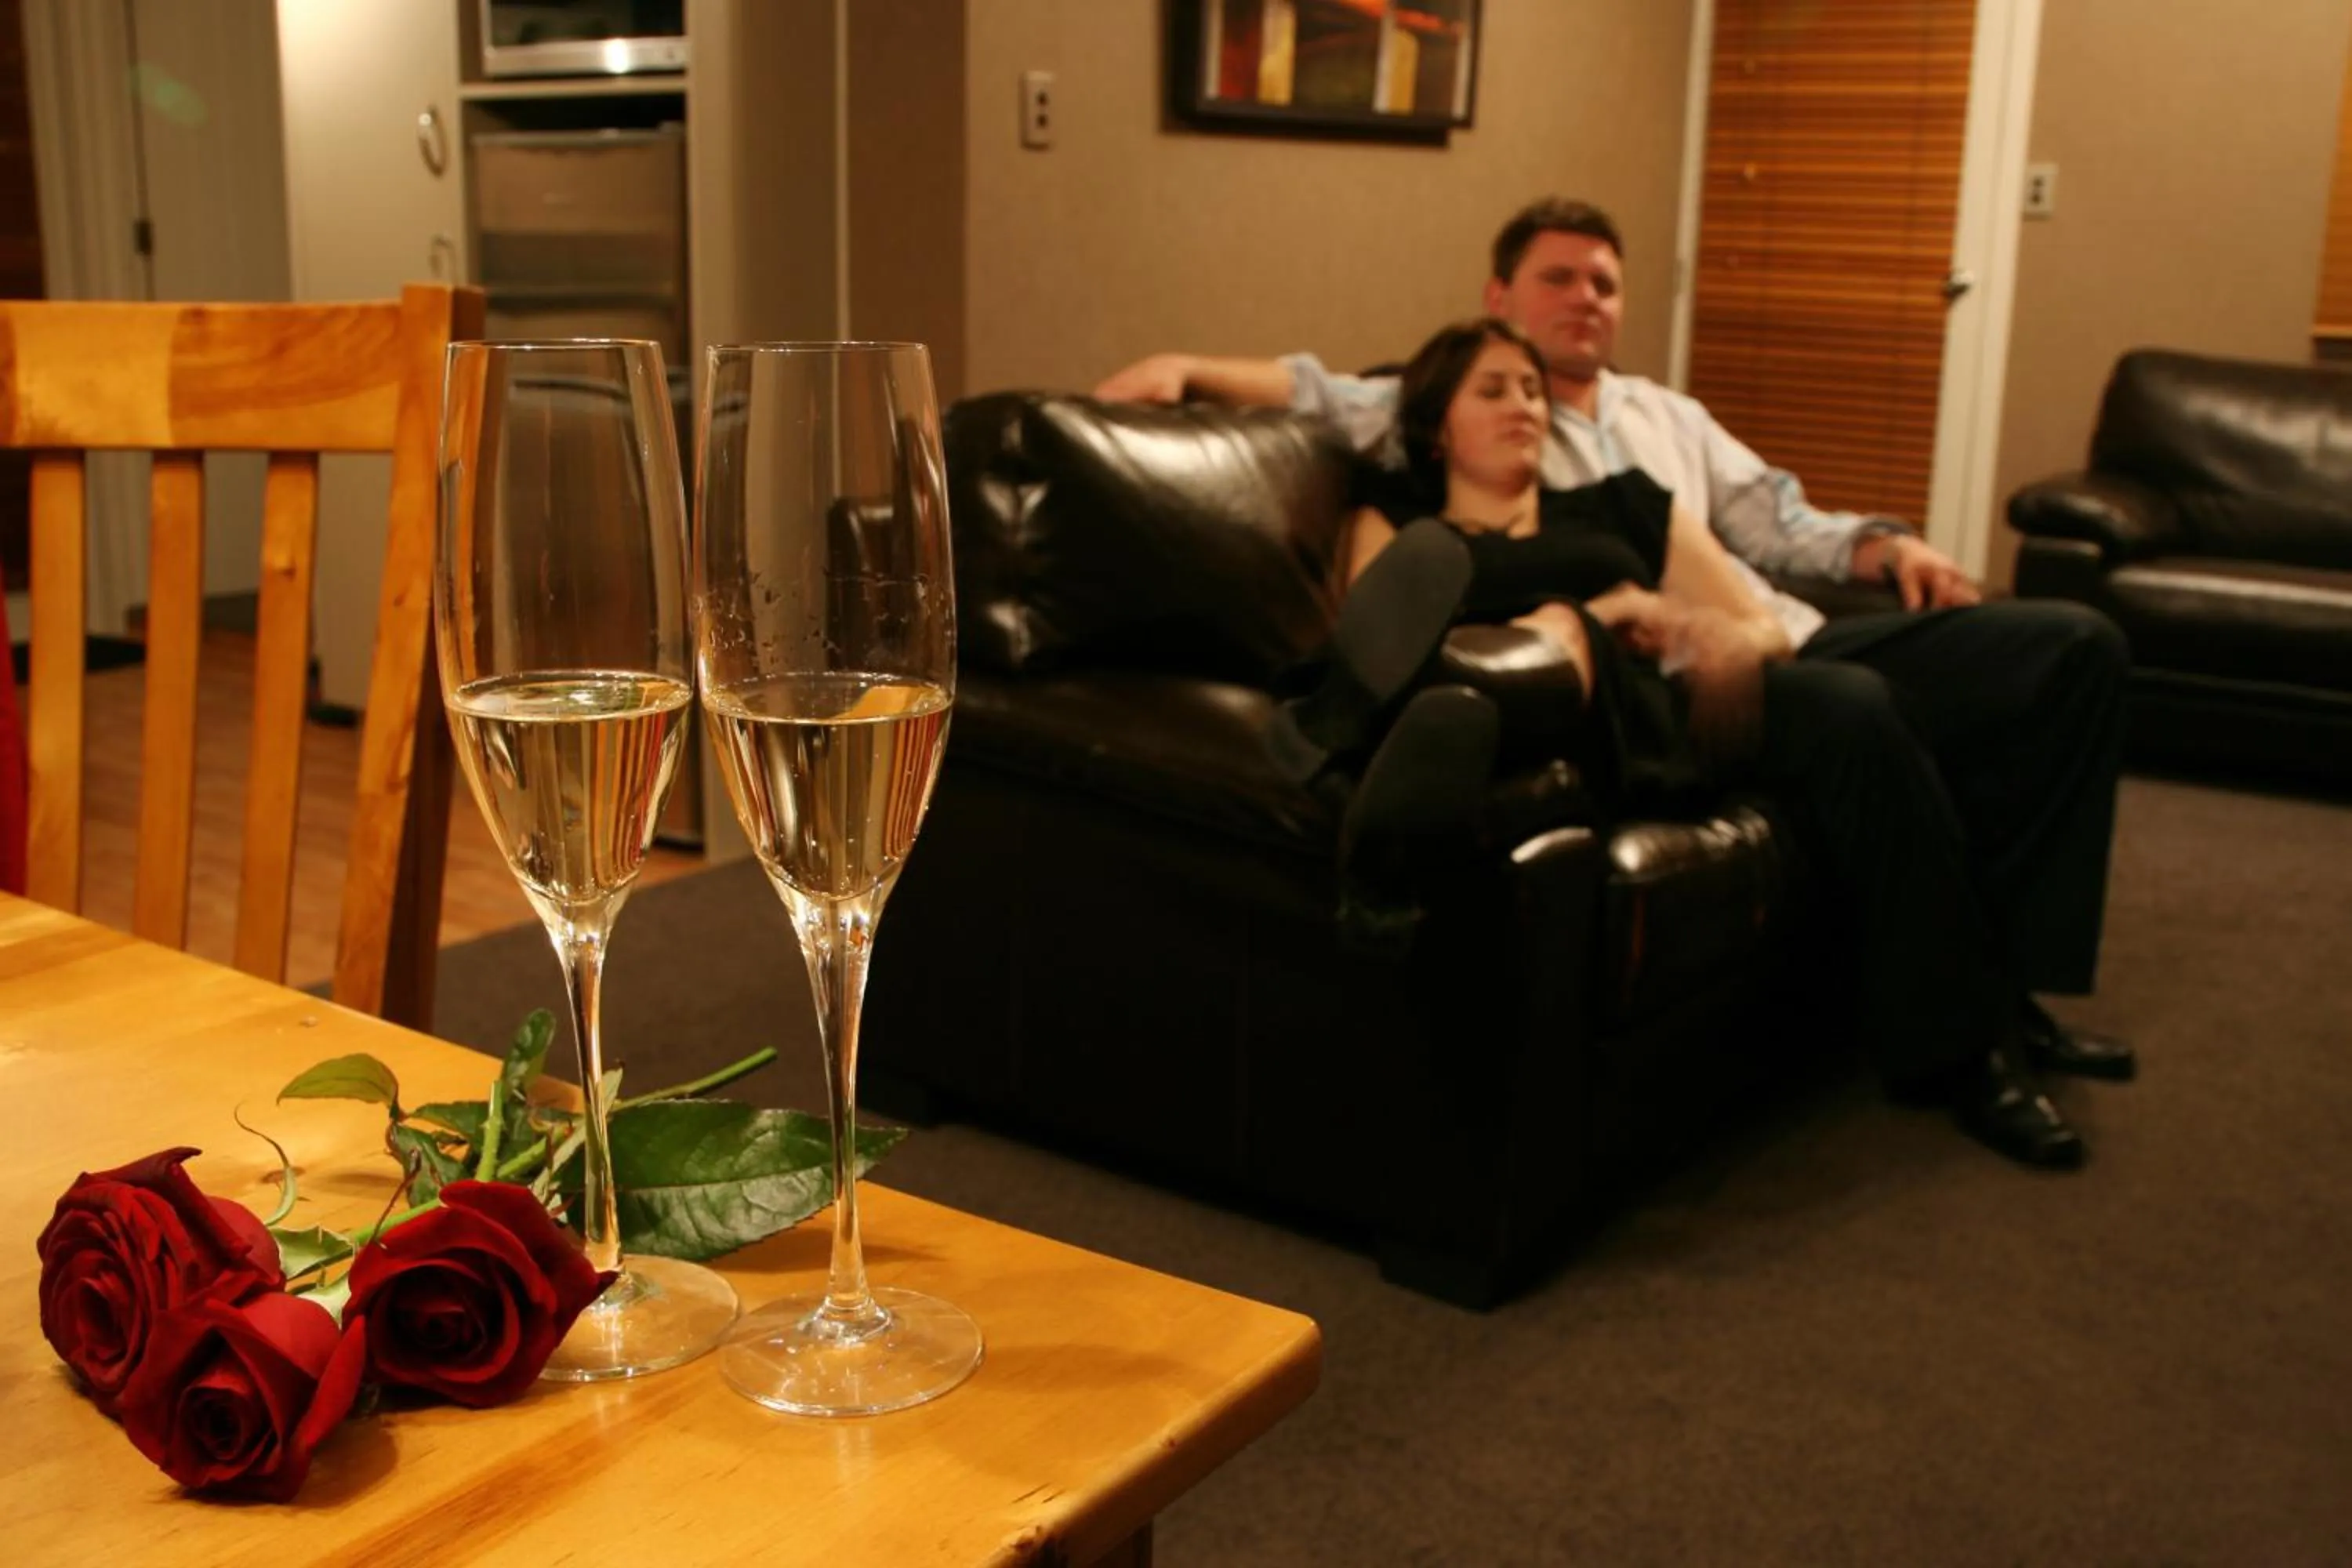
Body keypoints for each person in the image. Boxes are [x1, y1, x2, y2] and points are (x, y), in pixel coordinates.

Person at [1098, 194, 2137, 1116]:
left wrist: (1882, 544)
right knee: (1802, 692)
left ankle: (2016, 987)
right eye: (1559, 278)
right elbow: (1333, 396)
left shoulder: (1664, 421)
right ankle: (1406, 708)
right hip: (1655, 666)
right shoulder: (1452, 398)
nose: (1585, 299)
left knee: (2071, 647)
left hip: (1784, 626)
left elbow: (1778, 521)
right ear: (1502, 292)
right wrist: (1188, 368)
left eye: (1605, 283)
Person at [1288, 318, 2124, 1170]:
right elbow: (1378, 632)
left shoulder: (1623, 503)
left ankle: (1988, 1018)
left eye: (1534, 390)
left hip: (1679, 702)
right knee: (1566, 631)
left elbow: (1758, 623)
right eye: (1493, 390)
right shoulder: (1396, 520)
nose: (1525, 407)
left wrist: (1717, 636)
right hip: (1553, 716)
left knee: (1896, 687)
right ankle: (1967, 1053)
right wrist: (1610, 611)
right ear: (1436, 426)